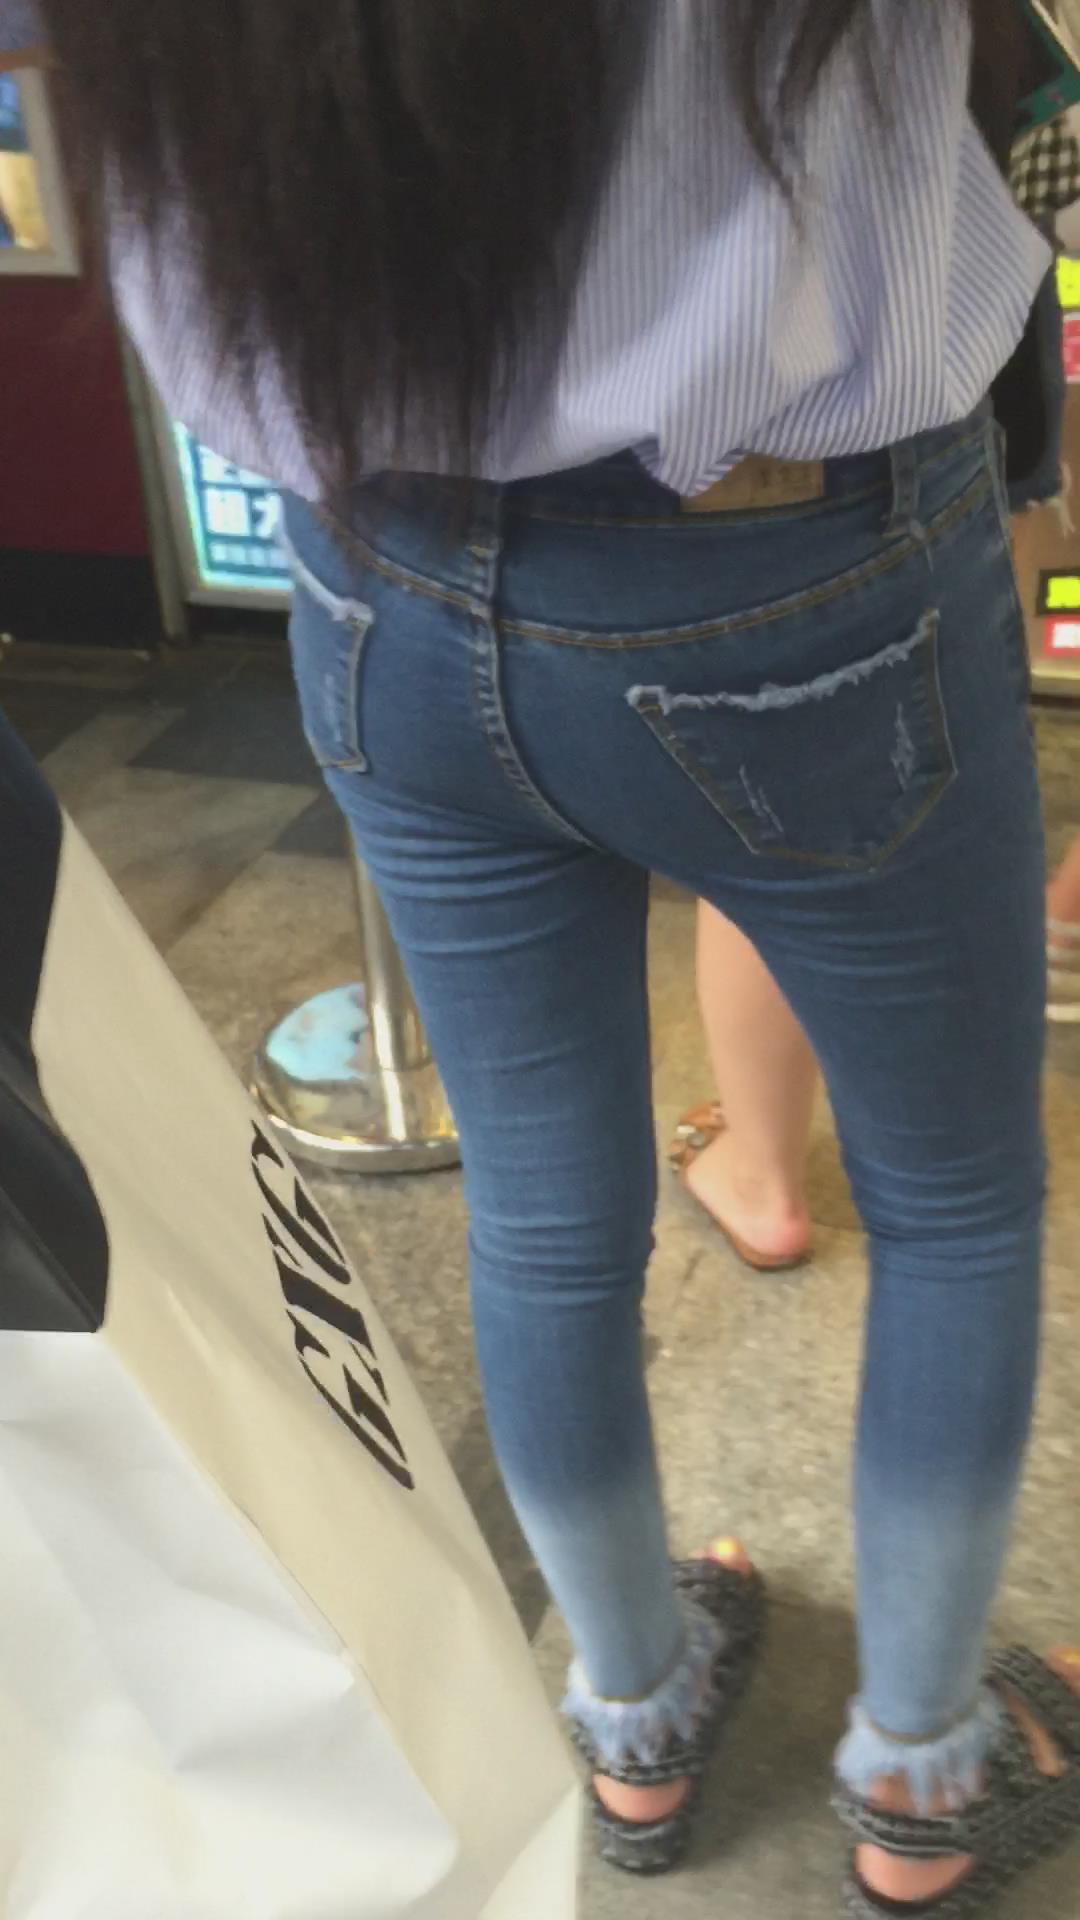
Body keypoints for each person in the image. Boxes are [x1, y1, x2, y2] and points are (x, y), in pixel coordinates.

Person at [11, 3, 1080, 1913]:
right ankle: (921, 1779)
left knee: (544, 1209)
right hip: (797, 564)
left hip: (376, 569)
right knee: (952, 1202)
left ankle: (634, 1721)